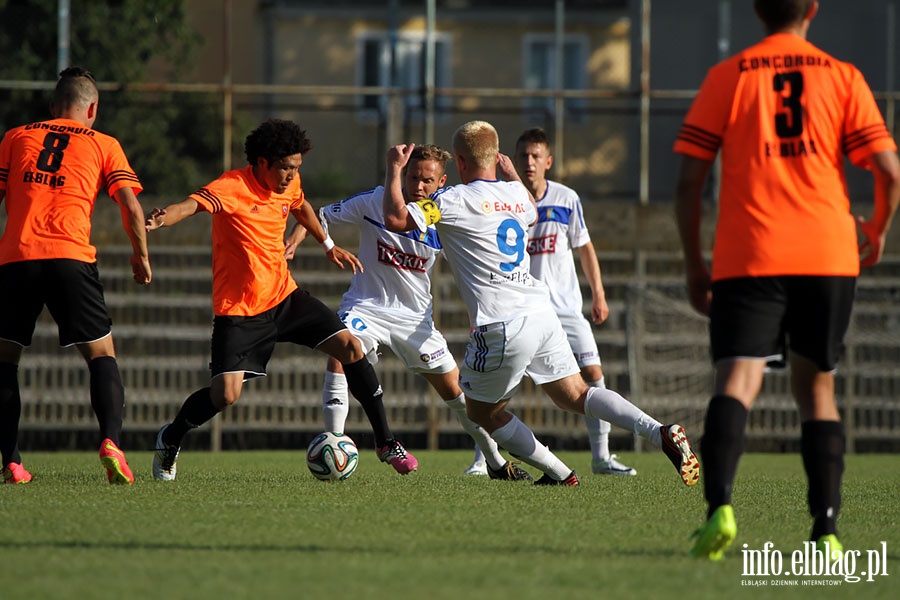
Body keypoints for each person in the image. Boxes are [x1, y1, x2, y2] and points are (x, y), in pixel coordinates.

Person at [674, 0, 900, 561]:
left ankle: (719, 508)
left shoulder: (728, 75)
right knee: (817, 391)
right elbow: (889, 171)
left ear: (757, 11)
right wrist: (875, 230)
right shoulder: (843, 76)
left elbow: (688, 181)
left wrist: (694, 264)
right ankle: (825, 531)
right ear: (813, 10)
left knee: (736, 382)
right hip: (828, 252)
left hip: (751, 253)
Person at [383, 120, 700, 487]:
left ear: (458, 160)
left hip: (501, 323)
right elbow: (532, 209)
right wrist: (512, 175)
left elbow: (396, 218)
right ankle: (658, 430)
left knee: (480, 412)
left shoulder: (452, 200)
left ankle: (560, 473)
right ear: (496, 156)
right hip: (540, 313)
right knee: (576, 394)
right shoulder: (518, 196)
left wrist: (394, 168)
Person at [145, 119, 418, 481]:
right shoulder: (231, 186)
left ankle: (385, 441)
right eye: (285, 168)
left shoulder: (290, 185)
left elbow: (301, 206)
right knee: (225, 395)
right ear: (262, 162)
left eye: (296, 168)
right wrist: (164, 218)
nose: (291, 175)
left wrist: (328, 245)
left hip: (284, 296)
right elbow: (190, 206)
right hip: (240, 310)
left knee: (351, 348)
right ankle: (171, 437)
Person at [309, 143, 530, 480]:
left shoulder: (445, 214)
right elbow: (318, 214)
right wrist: (314, 243)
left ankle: (497, 463)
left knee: (460, 397)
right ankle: (334, 439)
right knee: (340, 350)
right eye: (413, 177)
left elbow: (476, 261)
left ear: (441, 182)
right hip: (367, 307)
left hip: (415, 321)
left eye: (427, 180)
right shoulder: (375, 200)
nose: (419, 186)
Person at [0, 67, 151, 485]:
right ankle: (111, 443)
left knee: (5, 360)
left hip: (17, 258)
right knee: (101, 356)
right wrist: (140, 256)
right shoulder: (104, 143)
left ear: (52, 107)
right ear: (92, 109)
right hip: (71, 258)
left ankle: (12, 462)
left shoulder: (15, 137)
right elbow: (131, 206)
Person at [466, 127, 637, 477]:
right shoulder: (500, 200)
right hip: (520, 307)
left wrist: (599, 294)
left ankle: (601, 457)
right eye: (524, 155)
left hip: (564, 308)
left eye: (536, 156)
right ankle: (484, 459)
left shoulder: (565, 198)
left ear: (548, 161)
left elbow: (584, 246)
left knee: (592, 374)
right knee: (494, 391)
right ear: (511, 159)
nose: (530, 162)